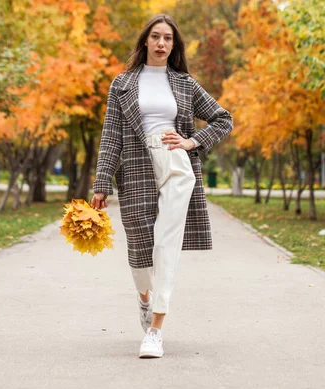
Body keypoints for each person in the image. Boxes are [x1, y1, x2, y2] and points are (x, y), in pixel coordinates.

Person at [90, 14, 232, 359]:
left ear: (174, 45)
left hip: (176, 165)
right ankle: (144, 298)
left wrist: (191, 141)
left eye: (168, 38)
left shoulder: (184, 83)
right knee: (139, 241)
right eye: (155, 37)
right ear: (145, 41)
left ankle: (156, 329)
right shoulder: (122, 83)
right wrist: (101, 182)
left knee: (166, 244)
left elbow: (223, 118)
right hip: (136, 165)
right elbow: (110, 137)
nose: (161, 43)